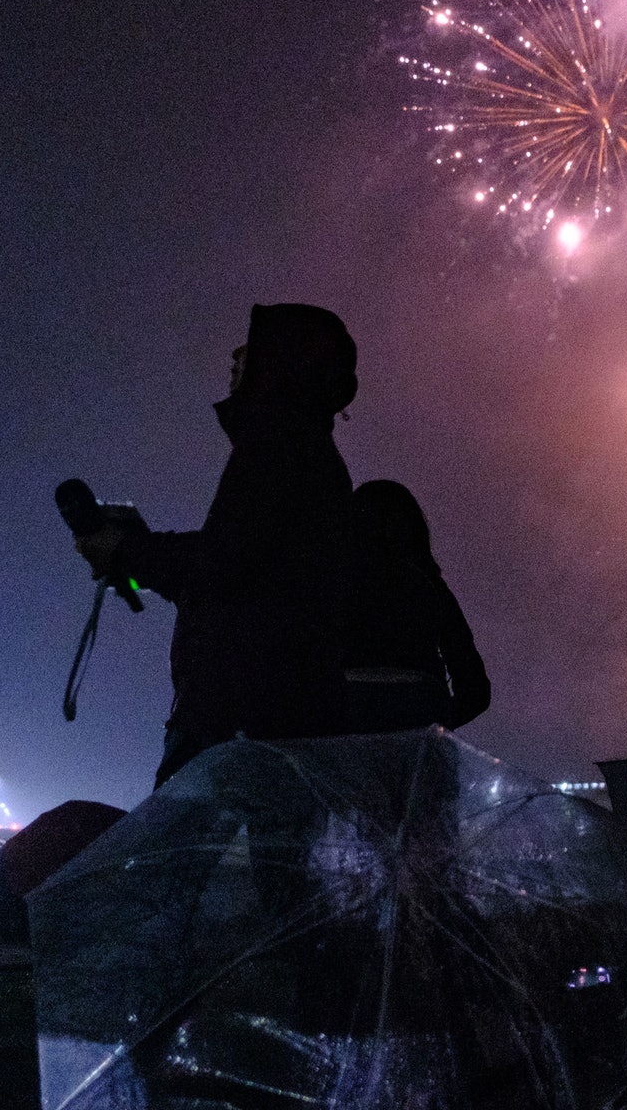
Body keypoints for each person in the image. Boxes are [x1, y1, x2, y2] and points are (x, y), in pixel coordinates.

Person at [75, 303, 357, 787]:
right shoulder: (308, 453)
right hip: (274, 711)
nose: (235, 356)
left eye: (253, 348)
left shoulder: (277, 448)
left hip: (234, 714)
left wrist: (125, 551)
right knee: (275, 858)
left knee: (171, 857)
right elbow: (237, 571)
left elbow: (220, 564)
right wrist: (140, 557)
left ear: (282, 364)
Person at [343, 479, 491, 733]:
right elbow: (474, 689)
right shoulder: (432, 590)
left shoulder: (330, 590)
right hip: (419, 746)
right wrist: (435, 728)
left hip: (347, 749)